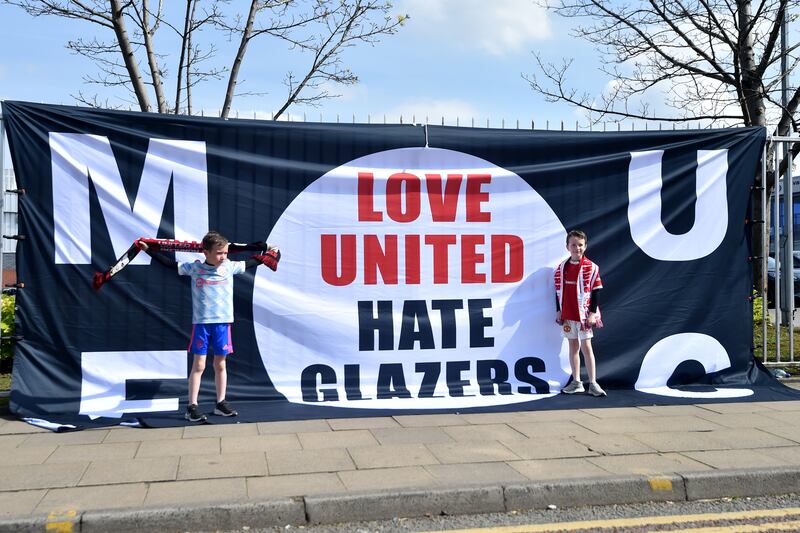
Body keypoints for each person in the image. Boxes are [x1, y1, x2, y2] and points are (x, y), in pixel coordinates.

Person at [139, 231, 280, 422]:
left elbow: (254, 261)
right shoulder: (194, 268)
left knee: (220, 364)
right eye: (219, 253)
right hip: (202, 325)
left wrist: (271, 252)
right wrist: (148, 250)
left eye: (225, 253)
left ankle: (221, 403)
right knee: (199, 365)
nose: (223, 257)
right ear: (205, 252)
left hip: (223, 324)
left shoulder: (230, 267)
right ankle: (192, 406)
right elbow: (169, 264)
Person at [554, 229, 606, 397]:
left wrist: (592, 313)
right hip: (568, 316)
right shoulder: (561, 267)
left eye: (580, 245)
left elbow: (596, 290)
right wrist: (559, 310)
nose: (577, 248)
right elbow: (557, 291)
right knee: (572, 347)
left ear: (586, 246)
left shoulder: (591, 267)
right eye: (573, 245)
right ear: (567, 246)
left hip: (583, 315)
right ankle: (577, 382)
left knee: (587, 347)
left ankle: (593, 383)